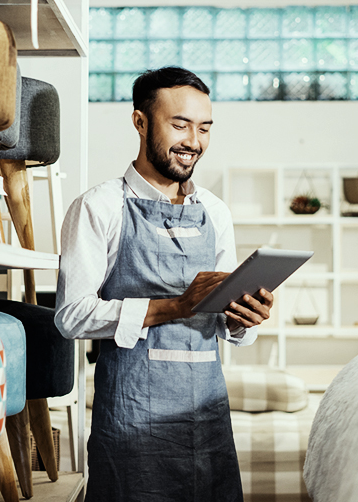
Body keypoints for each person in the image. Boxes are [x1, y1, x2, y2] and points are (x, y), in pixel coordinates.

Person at [55, 66, 274, 501]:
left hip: (206, 416)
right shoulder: (100, 207)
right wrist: (174, 306)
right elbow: (71, 317)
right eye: (180, 125)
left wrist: (243, 317)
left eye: (204, 128)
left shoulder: (216, 212)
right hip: (132, 419)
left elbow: (225, 323)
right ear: (140, 122)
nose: (194, 141)